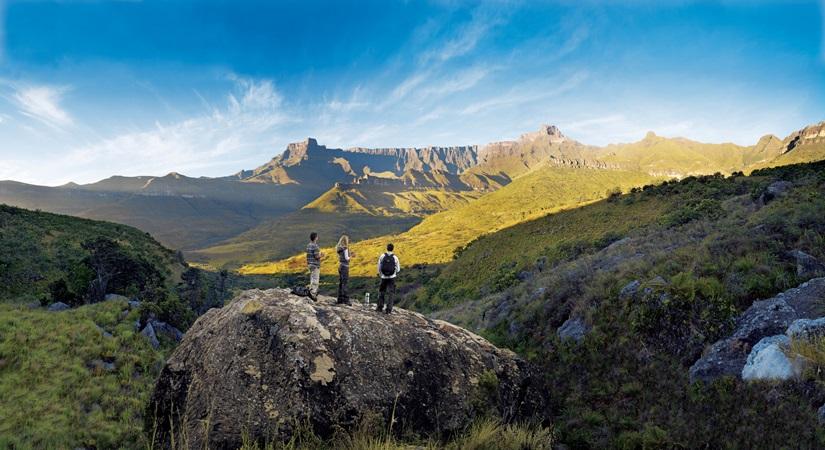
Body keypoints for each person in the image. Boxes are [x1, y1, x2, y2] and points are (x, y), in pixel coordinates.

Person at [376, 243, 400, 314]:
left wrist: (381, 274)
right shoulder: (395, 258)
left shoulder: (382, 256)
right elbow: (398, 269)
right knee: (391, 293)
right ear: (393, 249)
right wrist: (394, 273)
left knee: (382, 291)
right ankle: (389, 309)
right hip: (392, 277)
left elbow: (379, 267)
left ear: (387, 248)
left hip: (383, 277)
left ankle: (380, 307)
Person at [336, 235, 355, 305]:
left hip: (340, 266)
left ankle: (340, 299)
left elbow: (343, 256)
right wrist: (351, 256)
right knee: (345, 283)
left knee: (341, 283)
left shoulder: (339, 248)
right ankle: (346, 299)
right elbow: (347, 258)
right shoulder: (345, 248)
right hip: (345, 267)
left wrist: (349, 254)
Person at [306, 232, 323, 301]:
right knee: (315, 280)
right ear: (315, 238)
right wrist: (321, 255)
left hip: (310, 264)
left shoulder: (308, 245)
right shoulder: (315, 246)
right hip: (315, 264)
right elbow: (316, 256)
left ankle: (311, 291)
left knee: (312, 278)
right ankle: (313, 294)